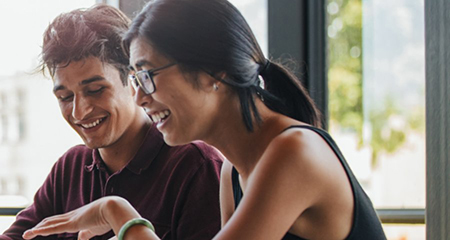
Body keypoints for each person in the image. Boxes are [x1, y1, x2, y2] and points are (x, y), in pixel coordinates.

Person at [22, 0, 387, 239]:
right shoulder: (233, 172)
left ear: (213, 71)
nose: (138, 96)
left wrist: (115, 212)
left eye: (147, 75)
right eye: (135, 79)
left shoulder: (293, 153)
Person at [0, 4, 224, 240]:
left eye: (95, 90)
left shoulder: (196, 167)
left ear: (133, 80)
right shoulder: (71, 168)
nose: (79, 112)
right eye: (65, 97)